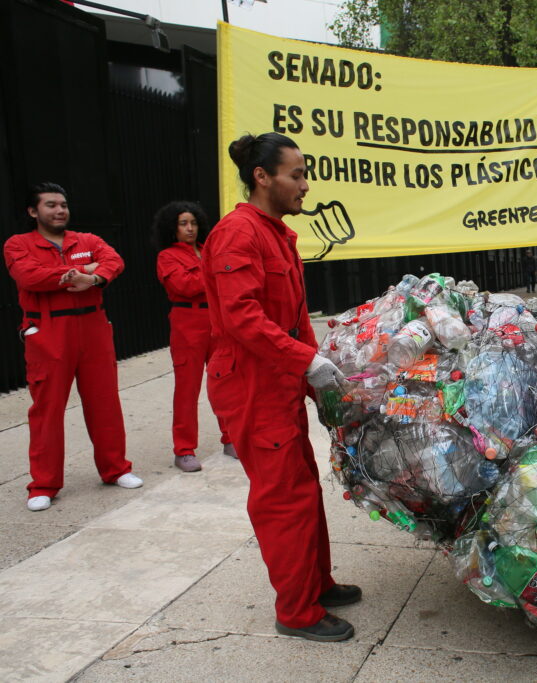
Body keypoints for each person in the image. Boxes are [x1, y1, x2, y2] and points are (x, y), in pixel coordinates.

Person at [202, 133, 359, 642]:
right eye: (296, 174)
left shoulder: (277, 234)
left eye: (304, 174)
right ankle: (297, 612)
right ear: (261, 177)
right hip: (251, 384)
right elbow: (242, 317)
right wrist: (303, 361)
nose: (305, 186)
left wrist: (318, 376)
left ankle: (316, 583)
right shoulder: (237, 235)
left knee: (303, 487)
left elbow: (293, 319)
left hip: (277, 378)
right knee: (282, 498)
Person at [4, 182, 142, 512]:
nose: (59, 210)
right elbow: (29, 276)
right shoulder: (18, 244)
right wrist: (83, 270)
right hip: (48, 333)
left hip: (93, 328)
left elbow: (114, 260)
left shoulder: (87, 240)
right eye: (50, 205)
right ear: (33, 211)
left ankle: (116, 469)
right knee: (47, 411)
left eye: (63, 204)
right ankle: (44, 484)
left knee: (105, 403)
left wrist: (95, 278)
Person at [152, 201, 234, 473]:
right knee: (187, 389)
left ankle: (231, 438)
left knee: (223, 382)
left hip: (215, 320)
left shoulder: (206, 251)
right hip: (187, 322)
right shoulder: (167, 256)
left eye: (193, 223)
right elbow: (184, 286)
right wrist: (213, 272)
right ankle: (184, 449)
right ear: (172, 228)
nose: (189, 228)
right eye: (183, 223)